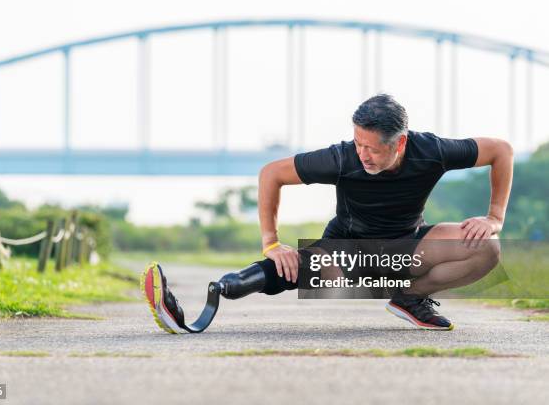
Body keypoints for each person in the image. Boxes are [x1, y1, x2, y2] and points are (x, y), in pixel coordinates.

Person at [141, 94, 514, 333]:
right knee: (288, 268)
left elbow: (501, 151)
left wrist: (494, 217)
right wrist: (272, 243)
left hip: (407, 246)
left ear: (400, 142)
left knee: (487, 248)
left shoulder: (431, 150)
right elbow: (272, 174)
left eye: (372, 148)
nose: (362, 154)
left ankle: (409, 297)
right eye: (358, 143)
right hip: (345, 251)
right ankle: (213, 295)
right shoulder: (340, 158)